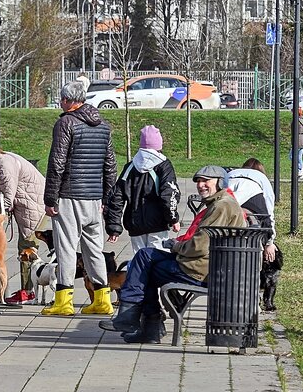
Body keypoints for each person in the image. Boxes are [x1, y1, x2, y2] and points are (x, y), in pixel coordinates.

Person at [99, 164, 247, 343]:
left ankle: (145, 323)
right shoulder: (222, 203)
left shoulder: (221, 206)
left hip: (201, 269)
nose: (201, 185)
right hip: (207, 264)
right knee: (144, 257)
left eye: (206, 181)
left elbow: (199, 247)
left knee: (145, 269)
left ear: (220, 182)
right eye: (198, 181)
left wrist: (176, 246)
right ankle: (134, 318)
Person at [42, 78, 117, 317]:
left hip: (69, 195)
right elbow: (110, 167)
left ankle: (63, 300)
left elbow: (57, 163)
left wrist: (50, 198)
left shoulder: (65, 123)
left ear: (67, 100)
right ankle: (102, 299)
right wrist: (106, 198)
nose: (60, 103)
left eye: (61, 100)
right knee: (94, 249)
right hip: (94, 199)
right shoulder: (103, 126)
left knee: (65, 247)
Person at [0, 141, 46, 305]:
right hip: (32, 204)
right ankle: (28, 291)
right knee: (27, 246)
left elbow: (6, 200)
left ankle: (28, 293)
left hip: (34, 206)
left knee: (27, 249)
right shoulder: (2, 161)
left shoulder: (5, 166)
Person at [104, 125, 180, 253]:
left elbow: (116, 197)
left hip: (135, 225)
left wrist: (114, 227)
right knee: (158, 258)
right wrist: (173, 219)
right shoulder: (164, 166)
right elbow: (169, 194)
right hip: (158, 224)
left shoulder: (130, 167)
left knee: (139, 259)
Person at [227, 158, 278, 263]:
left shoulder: (230, 174)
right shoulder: (262, 178)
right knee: (260, 225)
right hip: (251, 211)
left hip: (226, 206)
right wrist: (270, 242)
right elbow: (269, 213)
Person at [292, 109, 303, 179]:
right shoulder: (301, 120)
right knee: (299, 156)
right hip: (302, 139)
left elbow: (295, 130)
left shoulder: (296, 120)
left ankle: (300, 168)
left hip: (298, 140)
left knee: (292, 156)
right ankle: (300, 171)